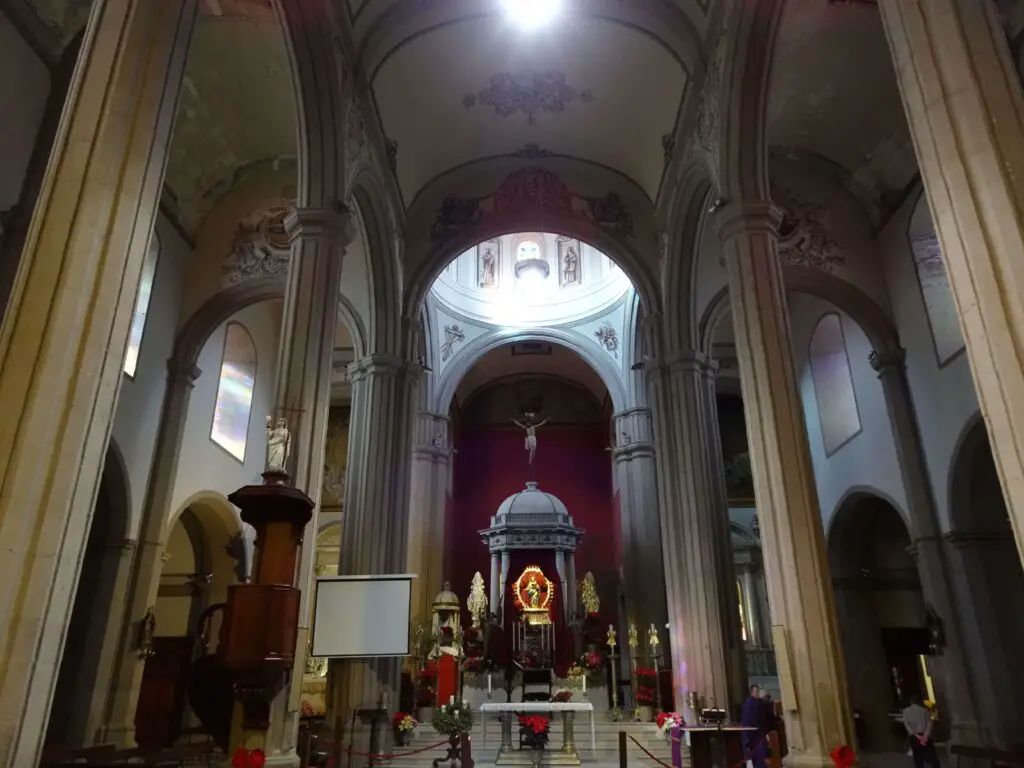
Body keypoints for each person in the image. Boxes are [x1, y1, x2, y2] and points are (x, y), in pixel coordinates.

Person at [902, 696, 938, 768]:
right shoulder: (924, 711)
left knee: (918, 757)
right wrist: (924, 736)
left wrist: (916, 735)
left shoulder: (905, 711)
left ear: (910, 702)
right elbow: (929, 724)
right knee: (930, 756)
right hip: (925, 736)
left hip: (915, 738)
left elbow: (907, 726)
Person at [741, 684, 768, 768]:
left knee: (762, 756)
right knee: (758, 756)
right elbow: (747, 720)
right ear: (752, 692)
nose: (757, 693)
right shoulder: (748, 703)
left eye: (758, 691)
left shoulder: (760, 702)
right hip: (753, 735)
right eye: (756, 692)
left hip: (760, 733)